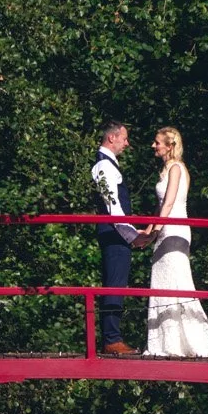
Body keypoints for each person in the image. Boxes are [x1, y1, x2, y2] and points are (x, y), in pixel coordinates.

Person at [144, 128, 208, 359]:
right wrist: (146, 232)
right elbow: (159, 207)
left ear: (170, 145)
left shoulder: (176, 168)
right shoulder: (165, 170)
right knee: (164, 280)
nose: (153, 146)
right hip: (165, 228)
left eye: (157, 143)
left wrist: (154, 232)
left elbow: (168, 203)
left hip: (174, 229)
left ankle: (181, 340)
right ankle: (167, 340)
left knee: (177, 281)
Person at [90, 122, 144, 356]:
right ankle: (111, 339)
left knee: (117, 284)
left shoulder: (108, 165)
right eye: (124, 138)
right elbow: (112, 205)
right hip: (114, 233)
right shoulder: (103, 166)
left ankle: (113, 337)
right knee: (114, 284)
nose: (127, 143)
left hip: (116, 232)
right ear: (112, 138)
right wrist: (132, 236)